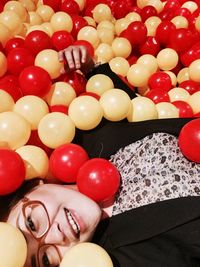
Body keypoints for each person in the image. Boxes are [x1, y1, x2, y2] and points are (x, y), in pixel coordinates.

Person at [1, 45, 200, 267]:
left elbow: (128, 106)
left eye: (31, 223)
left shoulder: (82, 135)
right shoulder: (132, 261)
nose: (55, 236)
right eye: (45, 260)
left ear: (35, 184)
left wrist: (90, 67)